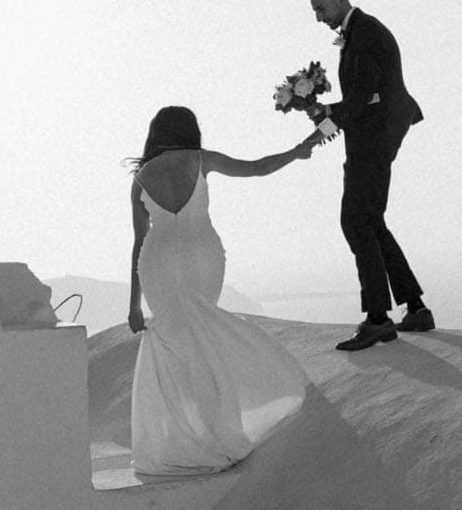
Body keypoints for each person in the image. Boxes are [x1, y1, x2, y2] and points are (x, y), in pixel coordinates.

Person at [126, 105, 318, 477]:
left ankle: (185, 438)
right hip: (202, 253)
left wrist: (132, 305)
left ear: (156, 133)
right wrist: (297, 151)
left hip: (158, 259)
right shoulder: (202, 159)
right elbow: (258, 166)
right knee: (204, 330)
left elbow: (138, 242)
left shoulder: (141, 177)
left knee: (177, 340)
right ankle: (220, 431)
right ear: (189, 130)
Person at [305, 0, 429, 351]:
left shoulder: (364, 34)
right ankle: (416, 308)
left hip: (373, 140)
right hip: (374, 136)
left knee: (356, 221)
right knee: (371, 221)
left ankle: (378, 319)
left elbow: (361, 98)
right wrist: (326, 112)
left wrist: (326, 120)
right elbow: (363, 96)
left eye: (321, 9)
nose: (318, 18)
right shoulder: (360, 31)